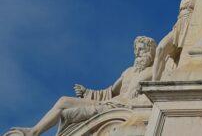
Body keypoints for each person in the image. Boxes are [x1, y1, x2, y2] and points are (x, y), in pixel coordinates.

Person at [6, 36, 156, 136]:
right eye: (136, 50)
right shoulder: (128, 72)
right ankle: (33, 131)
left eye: (141, 49)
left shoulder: (154, 71)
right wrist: (88, 92)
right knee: (64, 101)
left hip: (124, 108)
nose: (137, 53)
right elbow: (110, 92)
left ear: (150, 51)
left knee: (68, 114)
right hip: (110, 104)